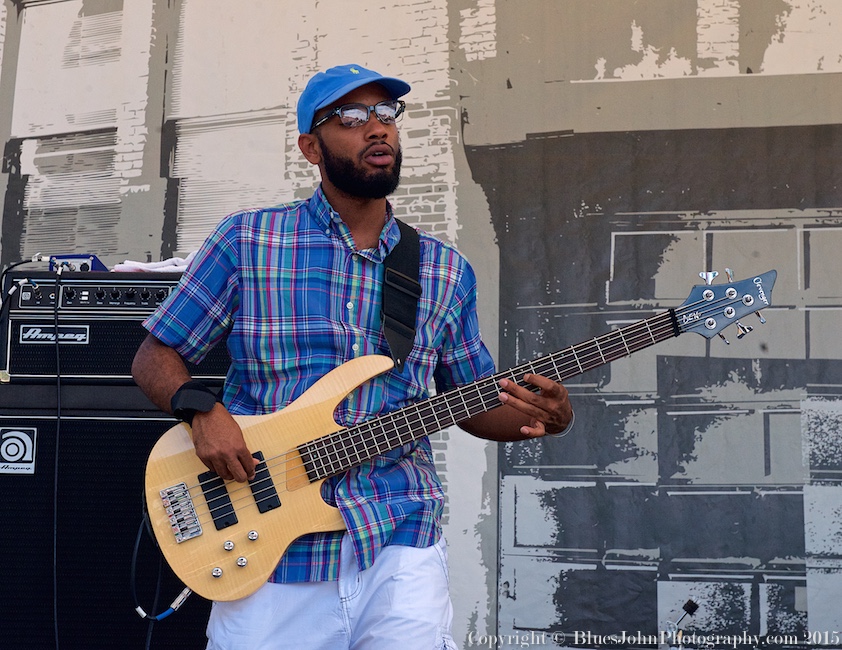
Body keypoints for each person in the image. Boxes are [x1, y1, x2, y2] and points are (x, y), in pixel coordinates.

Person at [132, 63, 573, 650]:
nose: (377, 129)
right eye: (352, 117)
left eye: (387, 115)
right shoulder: (249, 241)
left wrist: (537, 419)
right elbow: (154, 356)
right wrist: (202, 413)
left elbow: (470, 403)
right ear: (311, 147)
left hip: (400, 539)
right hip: (269, 547)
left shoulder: (444, 271)